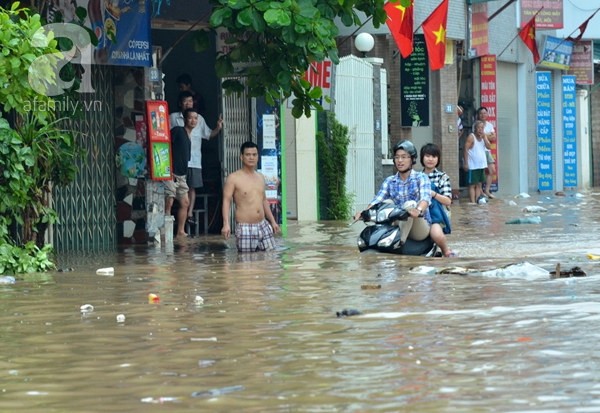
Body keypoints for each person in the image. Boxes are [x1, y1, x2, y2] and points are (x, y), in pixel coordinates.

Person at [354, 140, 431, 246]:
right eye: (397, 157)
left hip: (418, 227)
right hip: (398, 224)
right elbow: (378, 200)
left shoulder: (421, 177)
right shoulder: (390, 181)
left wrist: (417, 210)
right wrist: (363, 213)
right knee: (387, 202)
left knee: (410, 204)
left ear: (412, 159)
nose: (400, 160)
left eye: (404, 157)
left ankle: (399, 242)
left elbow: (425, 198)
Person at [169, 91, 223, 227]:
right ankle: (170, 215)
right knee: (174, 190)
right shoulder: (173, 118)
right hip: (178, 162)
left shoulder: (199, 119)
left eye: (191, 101)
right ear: (180, 103)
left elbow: (209, 135)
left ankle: (190, 214)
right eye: (186, 101)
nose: (188, 104)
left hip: (195, 160)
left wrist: (218, 128)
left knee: (191, 187)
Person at [221, 142, 281, 252]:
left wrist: (272, 221)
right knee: (246, 264)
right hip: (245, 227)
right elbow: (226, 202)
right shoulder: (233, 178)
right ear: (241, 157)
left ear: (258, 157)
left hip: (263, 225)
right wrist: (226, 224)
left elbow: (263, 200)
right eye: (248, 155)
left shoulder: (261, 176)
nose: (251, 157)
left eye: (254, 154)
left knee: (271, 260)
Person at [165, 108, 198, 238]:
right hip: (171, 173)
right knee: (169, 202)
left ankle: (180, 232)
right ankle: (166, 234)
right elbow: (165, 144)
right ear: (184, 120)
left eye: (195, 118)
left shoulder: (189, 138)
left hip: (182, 176)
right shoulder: (178, 130)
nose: (193, 120)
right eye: (190, 117)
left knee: (185, 203)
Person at [420, 143, 456, 257]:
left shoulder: (442, 177)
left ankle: (446, 251)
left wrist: (432, 193)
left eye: (434, 156)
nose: (430, 159)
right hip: (419, 213)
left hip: (437, 215)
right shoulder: (416, 177)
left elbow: (448, 201)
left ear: (438, 159)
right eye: (427, 156)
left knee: (436, 234)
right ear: (422, 158)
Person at [463, 120, 491, 204]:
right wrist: (466, 163)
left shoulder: (484, 137)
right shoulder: (471, 137)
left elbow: (488, 147)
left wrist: (485, 138)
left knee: (479, 185)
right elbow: (465, 150)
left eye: (482, 128)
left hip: (481, 165)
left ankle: (478, 201)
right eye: (479, 128)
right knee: (472, 185)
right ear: (475, 128)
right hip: (472, 165)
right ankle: (472, 202)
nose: (480, 130)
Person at [477, 107, 497, 199]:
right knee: (480, 172)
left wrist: (485, 135)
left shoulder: (489, 125)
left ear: (487, 114)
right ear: (478, 115)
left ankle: (487, 191)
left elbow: (493, 137)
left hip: (487, 150)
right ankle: (480, 191)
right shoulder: (476, 124)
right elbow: (479, 136)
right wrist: (488, 135)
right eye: (481, 113)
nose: (483, 115)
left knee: (492, 170)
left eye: (484, 113)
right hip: (479, 151)